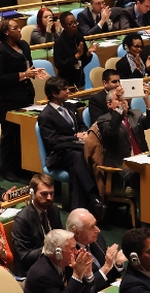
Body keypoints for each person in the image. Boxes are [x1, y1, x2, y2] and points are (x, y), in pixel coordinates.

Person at [0, 19, 45, 182]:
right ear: (7, 32)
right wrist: (23, 75)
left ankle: (23, 166)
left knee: (24, 134)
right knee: (10, 135)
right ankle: (8, 169)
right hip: (7, 99)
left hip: (25, 95)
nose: (19, 30)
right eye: (15, 28)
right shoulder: (0, 51)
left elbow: (28, 66)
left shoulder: (24, 45)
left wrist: (34, 72)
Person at [39, 75, 101, 212]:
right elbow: (52, 141)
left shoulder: (70, 106)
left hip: (77, 150)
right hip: (59, 154)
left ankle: (79, 208)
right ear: (54, 94)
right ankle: (93, 195)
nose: (68, 91)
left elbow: (82, 125)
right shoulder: (45, 115)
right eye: (64, 89)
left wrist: (84, 133)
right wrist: (74, 138)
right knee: (78, 157)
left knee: (76, 166)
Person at [11, 174, 62, 276]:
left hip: (54, 262)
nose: (49, 198)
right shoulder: (22, 219)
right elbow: (24, 257)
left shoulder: (53, 210)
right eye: (44, 194)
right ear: (32, 194)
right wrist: (49, 249)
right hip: (33, 270)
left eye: (51, 193)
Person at [65, 208, 124, 289]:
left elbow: (109, 276)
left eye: (95, 224)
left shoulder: (98, 239)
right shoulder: (69, 254)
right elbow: (84, 288)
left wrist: (117, 263)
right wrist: (106, 267)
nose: (98, 230)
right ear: (77, 232)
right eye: (91, 227)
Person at [22, 229, 95, 293]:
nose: (76, 252)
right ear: (58, 253)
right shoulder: (41, 275)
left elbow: (85, 290)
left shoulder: (67, 263)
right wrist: (77, 275)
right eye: (72, 249)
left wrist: (87, 274)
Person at [54, 11, 97, 89]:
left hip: (80, 80)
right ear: (63, 26)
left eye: (75, 22)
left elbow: (83, 62)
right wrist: (77, 56)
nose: (74, 25)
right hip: (66, 83)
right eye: (70, 23)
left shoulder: (79, 37)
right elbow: (60, 65)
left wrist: (88, 53)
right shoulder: (59, 42)